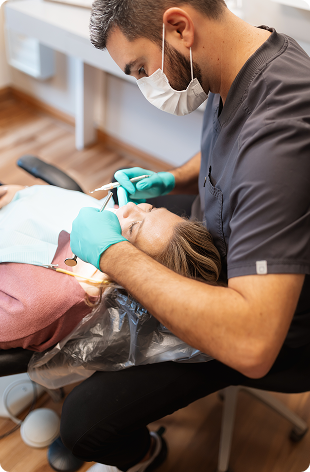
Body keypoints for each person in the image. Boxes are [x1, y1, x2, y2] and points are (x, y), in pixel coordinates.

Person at [66, 0, 310, 471]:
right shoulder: (237, 62)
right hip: (221, 236)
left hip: (272, 329)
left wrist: (113, 254)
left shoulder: (282, 128)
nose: (144, 84)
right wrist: (173, 179)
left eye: (140, 69)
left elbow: (253, 344)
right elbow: (233, 146)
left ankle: (147, 454)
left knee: (83, 423)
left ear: (179, 28)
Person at [0, 184, 220, 351]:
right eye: (151, 208)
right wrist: (25, 192)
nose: (131, 206)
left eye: (134, 227)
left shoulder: (41, 305)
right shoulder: (106, 217)